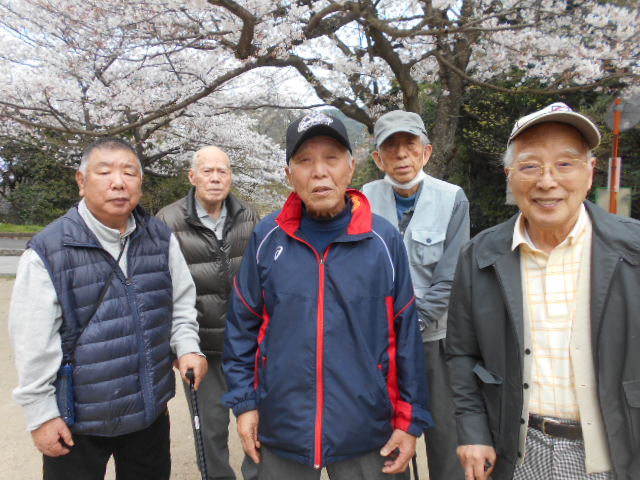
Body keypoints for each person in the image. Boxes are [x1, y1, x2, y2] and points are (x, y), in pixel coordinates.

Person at [222, 111, 433, 480]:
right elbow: (242, 327)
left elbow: (407, 337)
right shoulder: (267, 238)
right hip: (281, 429)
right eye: (304, 161)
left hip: (368, 431)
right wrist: (244, 404)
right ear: (289, 175)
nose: (319, 172)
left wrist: (409, 420)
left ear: (351, 168)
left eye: (331, 158)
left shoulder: (383, 241)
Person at [446, 102, 640, 480]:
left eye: (565, 164)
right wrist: (472, 430)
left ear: (590, 173)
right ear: (510, 176)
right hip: (517, 450)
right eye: (531, 165)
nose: (547, 181)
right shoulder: (479, 255)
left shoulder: (632, 249)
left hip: (616, 450)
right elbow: (461, 354)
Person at [9, 138, 208, 480]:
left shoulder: (160, 236)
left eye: (129, 172)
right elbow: (32, 342)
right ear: (81, 181)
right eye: (104, 172)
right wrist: (41, 414)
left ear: (140, 184)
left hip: (149, 409)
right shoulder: (48, 250)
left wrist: (187, 347)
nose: (119, 182)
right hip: (77, 419)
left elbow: (180, 302)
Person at [362, 110, 469, 480]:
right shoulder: (362, 200)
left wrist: (411, 323)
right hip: (381, 343)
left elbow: (452, 277)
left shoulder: (453, 198)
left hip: (435, 339)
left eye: (410, 145)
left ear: (426, 151)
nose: (402, 155)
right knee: (386, 440)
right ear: (378, 158)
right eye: (390, 147)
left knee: (446, 439)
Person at [157, 145, 260, 480]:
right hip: (202, 350)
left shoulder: (248, 215)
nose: (215, 178)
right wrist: (178, 345)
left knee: (258, 424)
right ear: (192, 176)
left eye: (223, 171)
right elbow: (161, 289)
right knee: (210, 431)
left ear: (230, 176)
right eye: (208, 171)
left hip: (249, 347)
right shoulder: (168, 221)